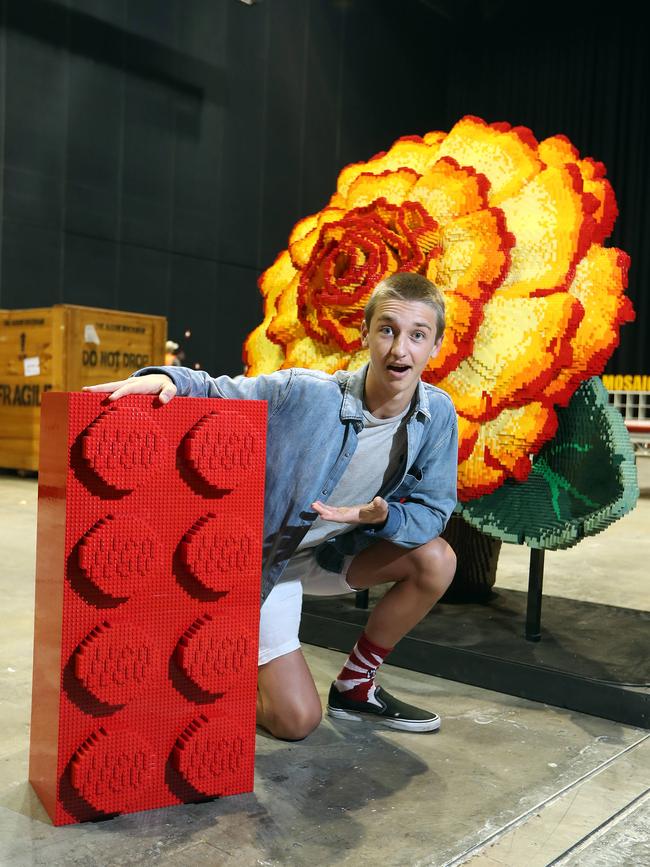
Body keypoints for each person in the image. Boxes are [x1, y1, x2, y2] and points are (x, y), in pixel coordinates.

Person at [84, 272, 458, 740]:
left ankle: (356, 686)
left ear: (436, 345)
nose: (399, 349)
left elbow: (436, 508)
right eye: (387, 330)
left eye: (417, 336)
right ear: (365, 335)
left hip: (330, 554)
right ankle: (213, 674)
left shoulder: (437, 413)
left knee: (437, 559)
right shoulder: (307, 394)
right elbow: (219, 389)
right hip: (264, 562)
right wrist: (164, 376)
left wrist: (384, 517)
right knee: (296, 721)